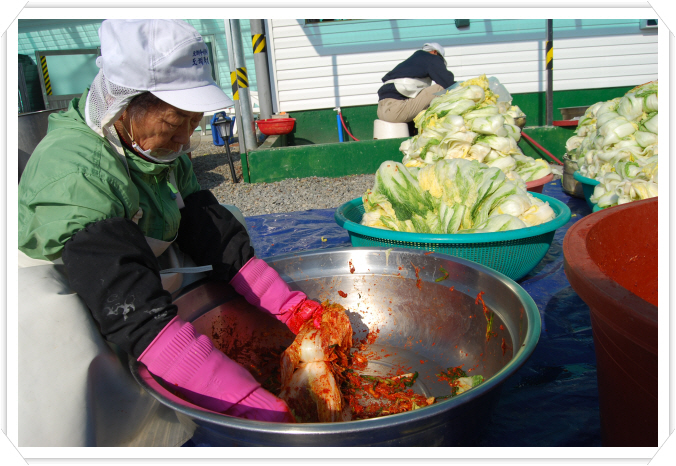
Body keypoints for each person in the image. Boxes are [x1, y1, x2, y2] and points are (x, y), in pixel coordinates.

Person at [17, 19, 326, 447]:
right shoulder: (76, 173)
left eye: (193, 122)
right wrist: (239, 398)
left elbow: (209, 229)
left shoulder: (153, 147)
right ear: (124, 105)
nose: (184, 139)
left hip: (132, 278)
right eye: (175, 121)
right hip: (73, 297)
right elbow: (130, 304)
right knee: (79, 367)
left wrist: (287, 305)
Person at [377, 42, 456, 124]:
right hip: (396, 110)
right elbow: (448, 82)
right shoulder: (431, 57)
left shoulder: (411, 63)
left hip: (382, 112)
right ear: (434, 52)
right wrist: (462, 88)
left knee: (425, 98)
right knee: (441, 88)